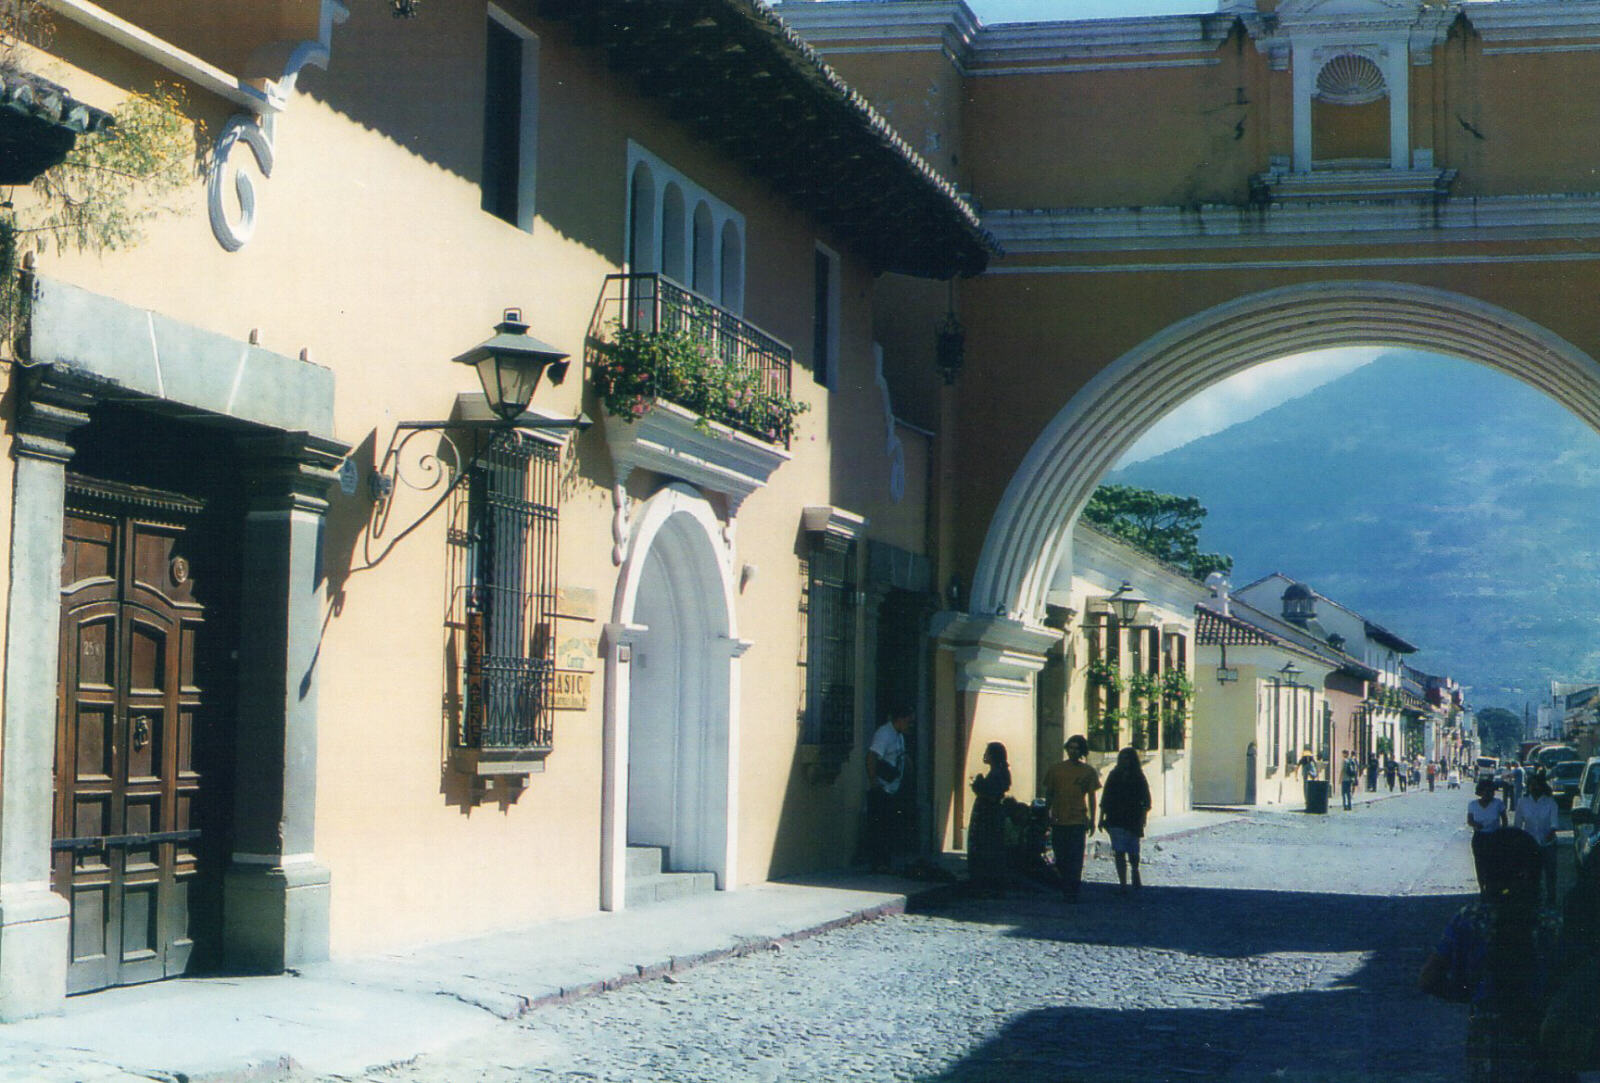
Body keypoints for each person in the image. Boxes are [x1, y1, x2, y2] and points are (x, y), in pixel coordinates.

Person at [1419, 828, 1567, 1083]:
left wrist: (1471, 993)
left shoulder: (1468, 920)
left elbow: (1428, 979)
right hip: (1541, 1043)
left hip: (1486, 1048)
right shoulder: (1553, 925)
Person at [1043, 734, 1100, 903]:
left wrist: (1092, 819)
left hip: (1078, 819)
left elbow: (1091, 797)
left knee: (1075, 857)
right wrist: (1047, 814)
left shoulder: (1088, 771)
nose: (1073, 751)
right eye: (1071, 748)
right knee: (1060, 856)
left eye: (1077, 748)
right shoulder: (1056, 769)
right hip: (1059, 819)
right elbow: (1049, 793)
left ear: (1082, 751)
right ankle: (1066, 885)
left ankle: (1072, 889)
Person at [864, 706, 912, 873]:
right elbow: (871, 756)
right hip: (882, 788)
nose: (909, 725)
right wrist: (873, 782)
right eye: (907, 721)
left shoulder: (899, 736)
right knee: (880, 829)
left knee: (890, 827)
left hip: (893, 789)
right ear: (899, 719)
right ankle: (878, 864)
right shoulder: (884, 734)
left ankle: (886, 862)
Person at [1099, 747, 1151, 894]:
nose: (1126, 761)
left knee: (1133, 850)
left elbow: (1146, 799)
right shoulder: (1114, 775)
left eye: (1128, 758)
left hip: (1133, 818)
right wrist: (1101, 818)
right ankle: (1122, 883)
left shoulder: (1139, 777)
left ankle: (1135, 870)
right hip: (1115, 817)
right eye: (1123, 758)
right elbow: (1106, 797)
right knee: (1119, 851)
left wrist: (1143, 817)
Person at [967, 741, 1011, 896]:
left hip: (989, 817)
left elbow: (992, 795)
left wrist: (978, 786)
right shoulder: (997, 772)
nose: (985, 756)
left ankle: (988, 886)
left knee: (988, 850)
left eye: (988, 752)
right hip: (988, 815)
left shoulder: (999, 773)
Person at [1514, 776, 1561, 906]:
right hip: (1529, 846)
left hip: (1548, 844)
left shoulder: (1550, 802)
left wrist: (1548, 836)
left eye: (1537, 785)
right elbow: (1518, 825)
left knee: (1550, 874)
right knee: (1532, 874)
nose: (1534, 788)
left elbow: (1554, 824)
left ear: (1542, 786)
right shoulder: (1522, 802)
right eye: (1532, 785)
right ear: (1528, 787)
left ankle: (1551, 900)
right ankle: (1533, 900)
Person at [1468, 777, 1509, 891]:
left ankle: (1492, 888)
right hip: (1480, 837)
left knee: (1494, 864)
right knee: (1480, 864)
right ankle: (1482, 888)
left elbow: (1504, 820)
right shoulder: (1473, 805)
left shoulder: (1498, 803)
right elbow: (1470, 821)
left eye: (1491, 791)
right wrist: (1476, 825)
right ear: (1480, 792)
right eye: (1486, 791)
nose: (1489, 794)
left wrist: (1503, 833)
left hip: (1495, 837)